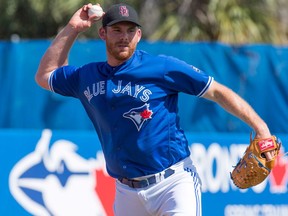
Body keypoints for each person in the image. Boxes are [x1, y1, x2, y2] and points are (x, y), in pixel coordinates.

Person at [35, 3, 275, 216]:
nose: (124, 37)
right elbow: (45, 75)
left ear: (139, 35)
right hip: (126, 193)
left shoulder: (161, 67)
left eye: (130, 30)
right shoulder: (87, 76)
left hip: (173, 183)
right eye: (117, 30)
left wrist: (261, 128)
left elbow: (217, 91)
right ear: (102, 33)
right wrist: (73, 27)